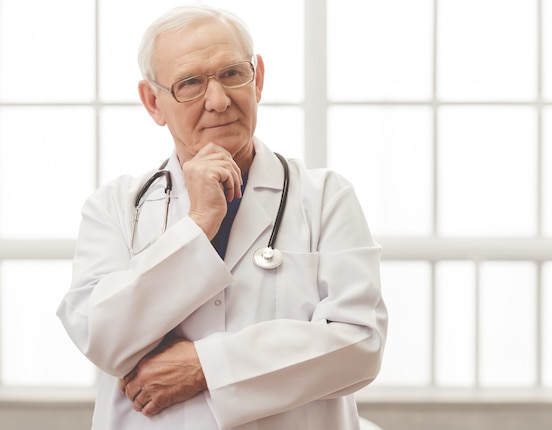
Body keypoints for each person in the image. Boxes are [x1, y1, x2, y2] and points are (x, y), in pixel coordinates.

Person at [57, 4, 387, 429]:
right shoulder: (115, 208)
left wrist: (206, 366)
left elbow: (359, 345)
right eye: (190, 83)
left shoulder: (324, 198)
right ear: (153, 102)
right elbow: (103, 339)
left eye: (232, 74)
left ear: (259, 78)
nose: (218, 100)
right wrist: (197, 224)